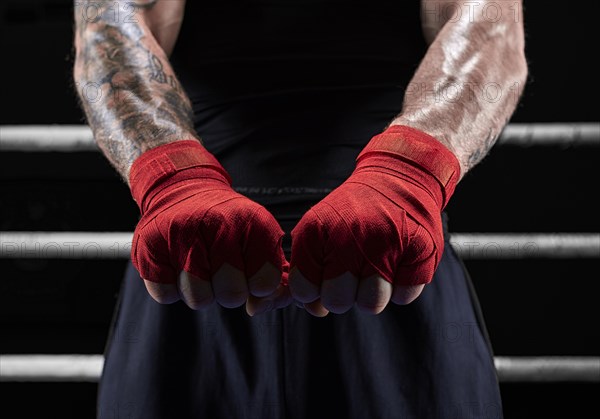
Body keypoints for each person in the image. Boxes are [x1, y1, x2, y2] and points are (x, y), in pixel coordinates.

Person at [73, 0, 527, 417]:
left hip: (390, 244)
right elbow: (108, 28)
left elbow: (490, 28)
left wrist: (407, 175)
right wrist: (174, 179)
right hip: (195, 247)